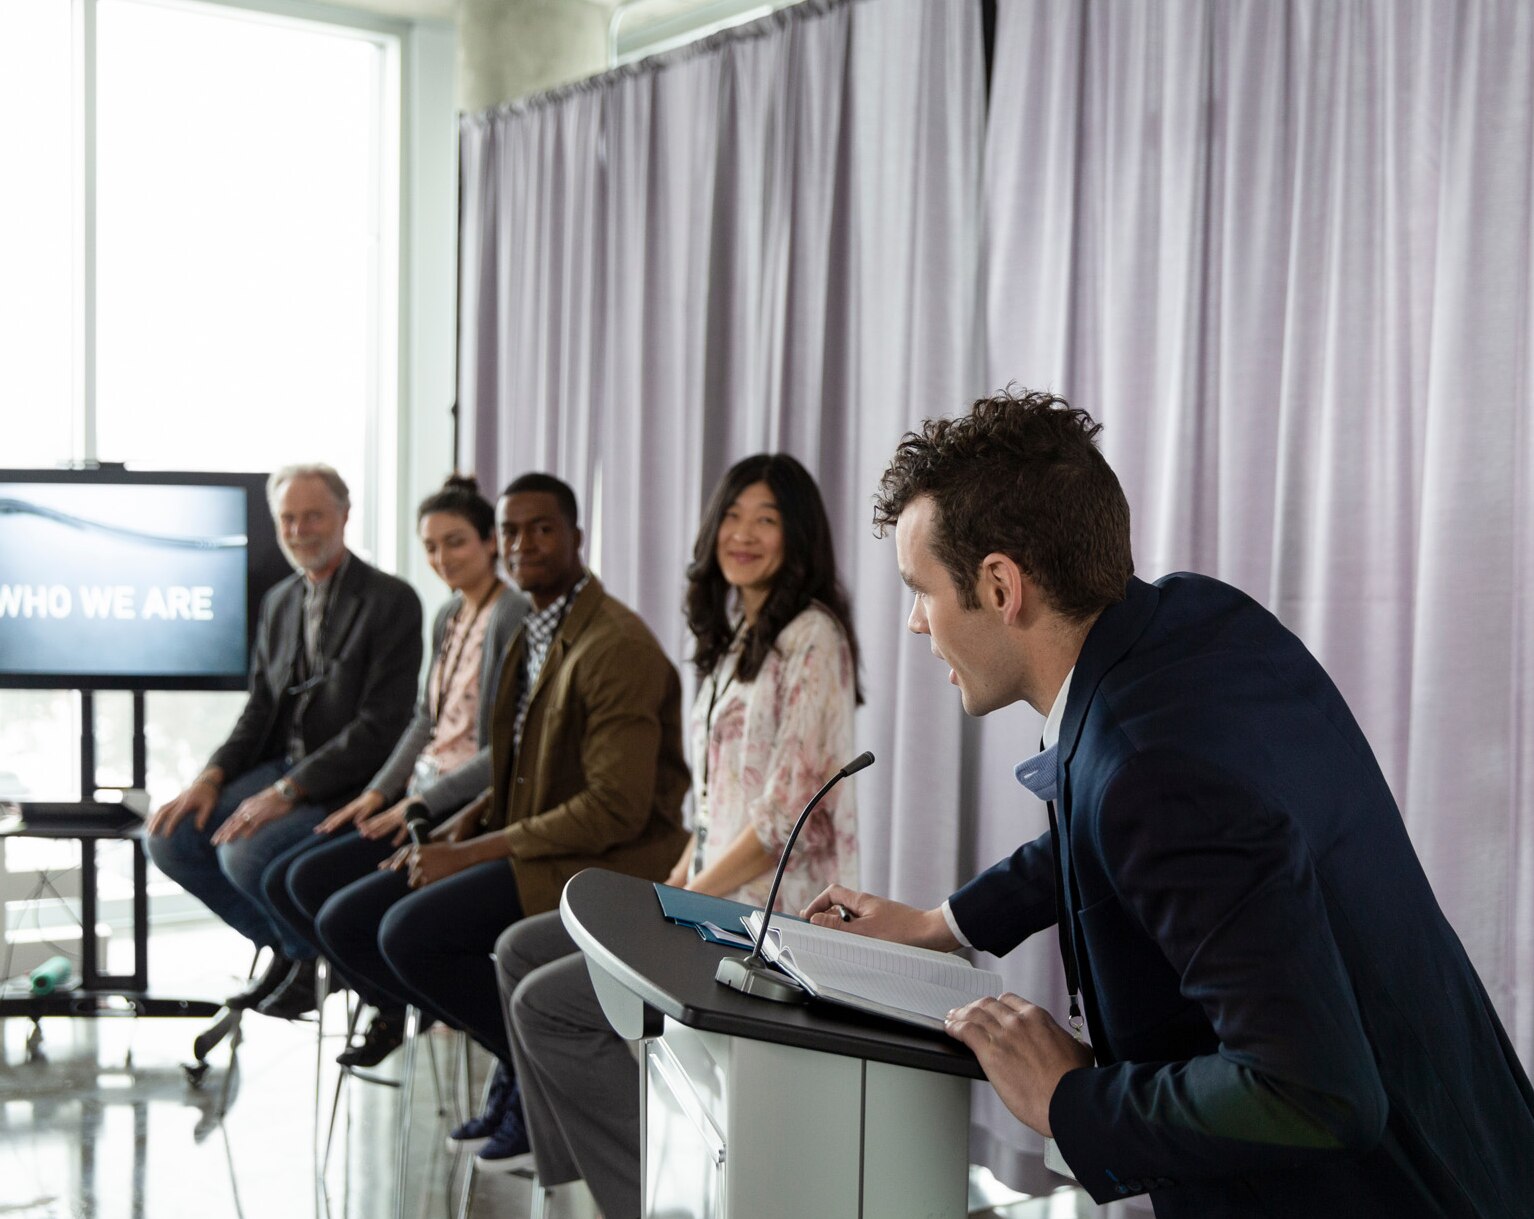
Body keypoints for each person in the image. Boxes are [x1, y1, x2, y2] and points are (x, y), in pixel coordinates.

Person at [800, 389, 1534, 1217]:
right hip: (1479, 1143)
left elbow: (1316, 1093)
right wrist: (947, 922)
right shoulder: (1191, 619)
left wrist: (1069, 1097)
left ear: (1002, 586)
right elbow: (1120, 819)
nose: (914, 624)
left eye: (920, 589)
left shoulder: (1150, 770)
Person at [496, 452, 862, 1217]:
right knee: (521, 948)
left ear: (798, 536)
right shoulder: (738, 640)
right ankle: (566, 1188)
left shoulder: (814, 638)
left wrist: (686, 899)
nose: (744, 534)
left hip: (771, 924)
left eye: (766, 519)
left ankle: (653, 1200)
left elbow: (780, 818)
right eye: (733, 516)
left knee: (548, 1006)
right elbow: (715, 805)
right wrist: (672, 887)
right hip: (713, 898)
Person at [311, 472, 690, 1161]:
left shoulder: (617, 645)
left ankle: (528, 1065)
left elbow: (615, 808)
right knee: (352, 918)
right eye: (512, 530)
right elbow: (523, 759)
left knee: (408, 933)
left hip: (597, 863)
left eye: (541, 528)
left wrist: (477, 850)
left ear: (577, 537)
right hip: (539, 842)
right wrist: (471, 819)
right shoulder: (538, 628)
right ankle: (519, 1061)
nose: (523, 543)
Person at [260, 475, 529, 1044]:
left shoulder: (513, 615)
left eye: (455, 542)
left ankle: (412, 1005)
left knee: (319, 894)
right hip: (413, 798)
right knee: (287, 879)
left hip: (455, 810)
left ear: (490, 544)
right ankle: (399, 1000)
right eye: (430, 546)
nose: (441, 558)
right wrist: (379, 793)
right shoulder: (449, 614)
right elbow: (424, 722)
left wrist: (415, 803)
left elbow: (504, 750)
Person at [147, 463, 422, 1018]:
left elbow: (382, 728)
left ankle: (311, 964)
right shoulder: (279, 603)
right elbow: (259, 710)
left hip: (353, 784)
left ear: (345, 516)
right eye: (287, 519)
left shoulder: (392, 600)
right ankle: (296, 952)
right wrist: (210, 778)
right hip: (284, 769)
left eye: (313, 516)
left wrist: (287, 792)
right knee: (170, 837)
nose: (299, 531)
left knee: (245, 855)